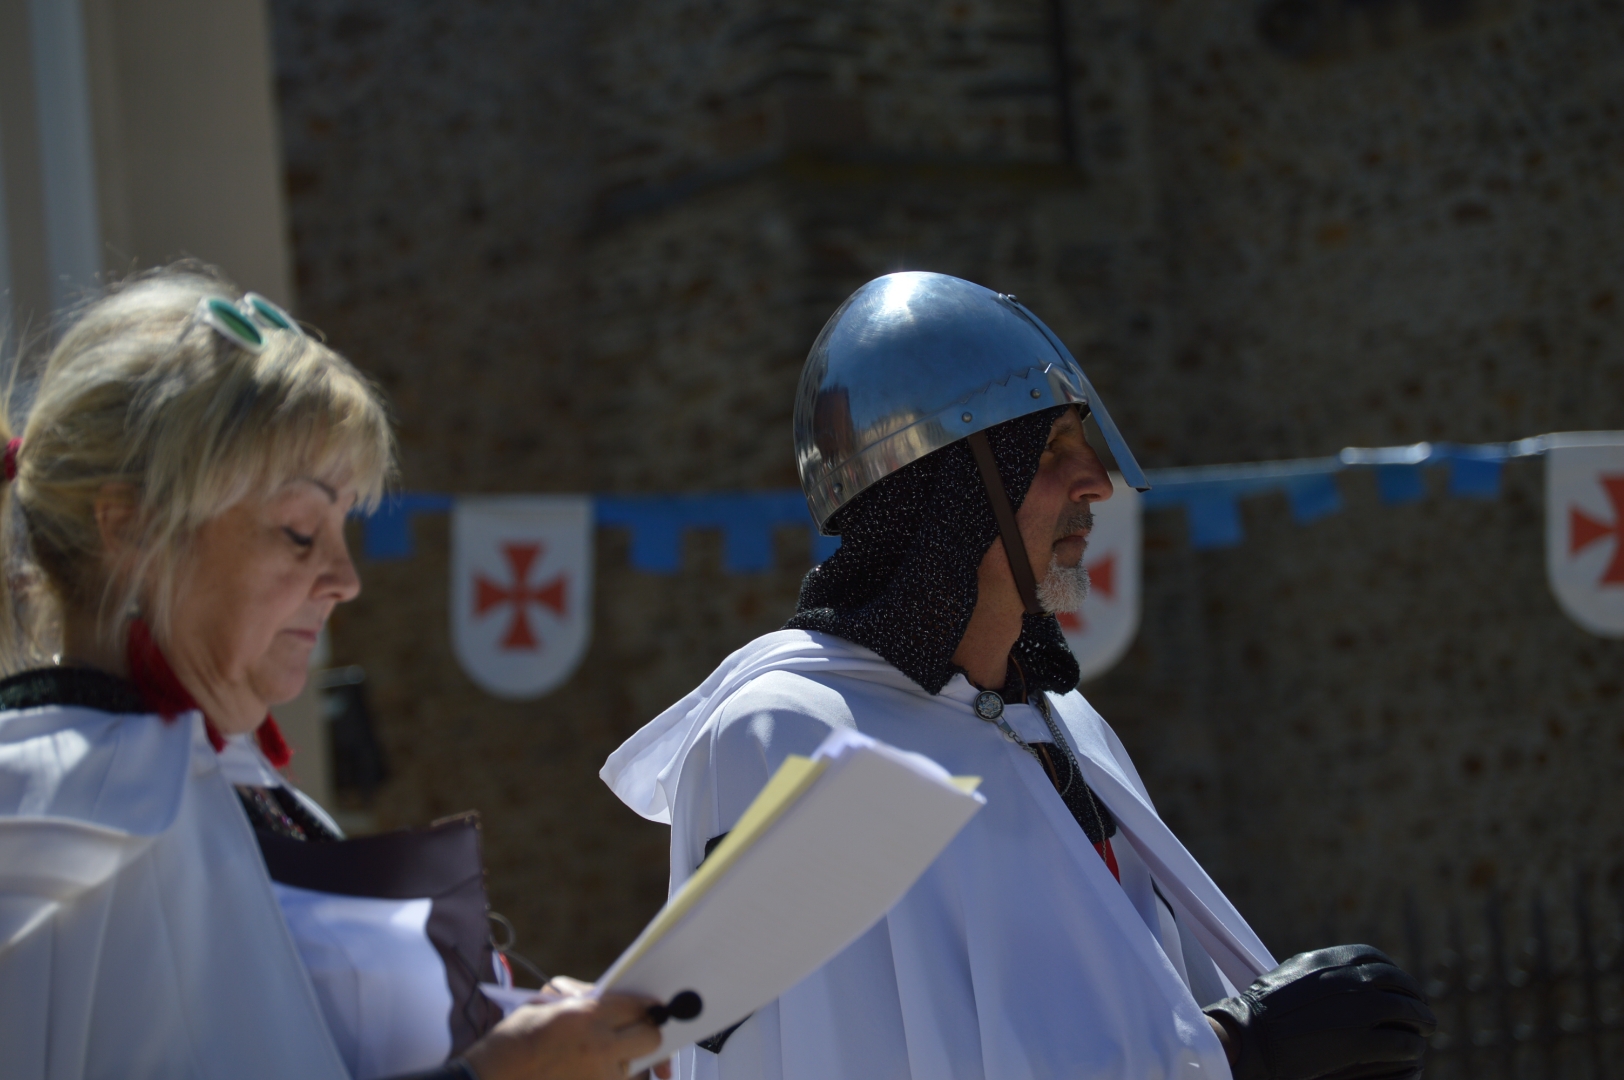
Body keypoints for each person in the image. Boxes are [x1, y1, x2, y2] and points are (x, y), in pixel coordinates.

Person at [603, 271, 1437, 1080]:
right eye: (1049, 450)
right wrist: (1233, 1051)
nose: (1096, 484)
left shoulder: (1064, 725)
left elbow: (1136, 1006)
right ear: (949, 497)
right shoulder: (790, 733)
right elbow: (842, 1059)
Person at [0, 267, 665, 1080]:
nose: (346, 581)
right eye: (297, 531)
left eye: (342, 529)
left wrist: (538, 1032)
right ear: (132, 527)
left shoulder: (237, 789)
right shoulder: (57, 815)